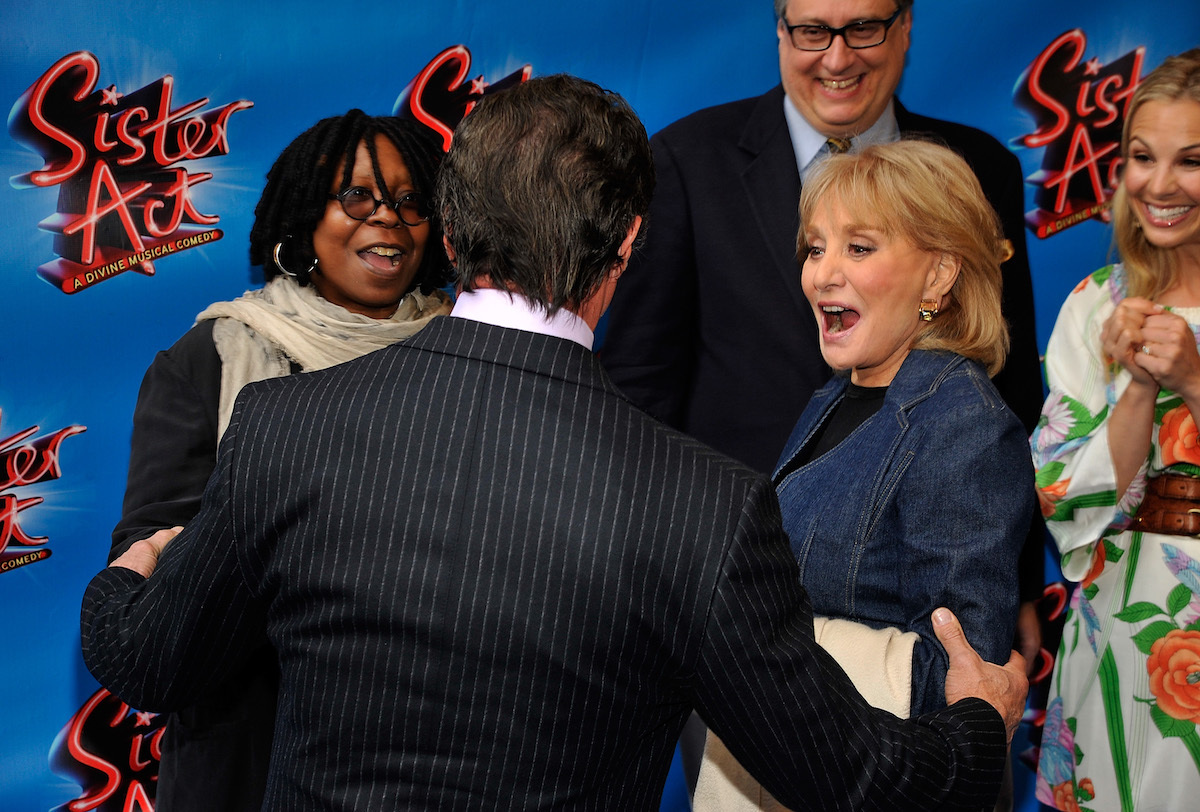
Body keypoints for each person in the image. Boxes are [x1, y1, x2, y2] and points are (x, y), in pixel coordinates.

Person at [82, 74, 1028, 811]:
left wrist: (127, 575)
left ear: (449, 231)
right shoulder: (699, 506)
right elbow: (859, 780)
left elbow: (148, 661)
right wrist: (981, 721)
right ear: (626, 247)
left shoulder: (288, 428)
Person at [600, 0, 1046, 672]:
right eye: (812, 30)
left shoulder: (979, 165)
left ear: (905, 28)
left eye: (863, 26)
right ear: (779, 33)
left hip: (912, 614)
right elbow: (639, 389)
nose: (837, 58)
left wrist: (1016, 579)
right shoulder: (687, 160)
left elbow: (1010, 382)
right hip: (718, 598)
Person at [110, 110, 453, 812]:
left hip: (431, 745)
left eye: (411, 199)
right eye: (357, 196)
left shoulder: (470, 355)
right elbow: (152, 571)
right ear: (302, 219)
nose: (388, 218)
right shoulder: (208, 361)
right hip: (256, 751)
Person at [696, 140, 1034, 809]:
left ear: (939, 274)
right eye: (815, 248)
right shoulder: (835, 398)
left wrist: (755, 649)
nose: (822, 274)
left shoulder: (961, 421)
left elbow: (962, 679)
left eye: (859, 247)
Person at [1032, 49, 1200, 812]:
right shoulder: (1092, 305)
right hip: (1119, 635)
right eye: (1141, 157)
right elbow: (1064, 501)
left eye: (1191, 161)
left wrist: (1194, 378)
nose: (1159, 185)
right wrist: (1138, 383)